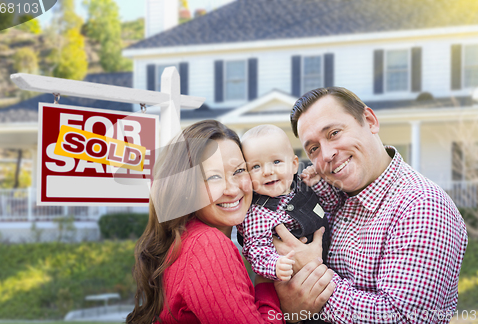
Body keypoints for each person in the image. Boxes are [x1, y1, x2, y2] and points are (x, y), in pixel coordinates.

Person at [274, 87, 468, 323]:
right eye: (313, 148)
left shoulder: (421, 205)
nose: (326, 154)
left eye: (334, 133)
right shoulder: (332, 196)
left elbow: (405, 319)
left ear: (370, 120)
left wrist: (311, 282)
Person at [126, 120, 335, 324]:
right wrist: (285, 306)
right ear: (186, 188)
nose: (232, 189)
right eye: (213, 177)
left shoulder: (188, 236)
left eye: (238, 171)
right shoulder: (207, 245)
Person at [237, 124, 330, 282]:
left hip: (331, 264)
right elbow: (256, 250)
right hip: (295, 278)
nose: (267, 171)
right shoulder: (257, 213)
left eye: (276, 161)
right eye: (256, 166)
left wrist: (317, 184)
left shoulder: (302, 186)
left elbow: (330, 206)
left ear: (294, 165)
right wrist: (275, 265)